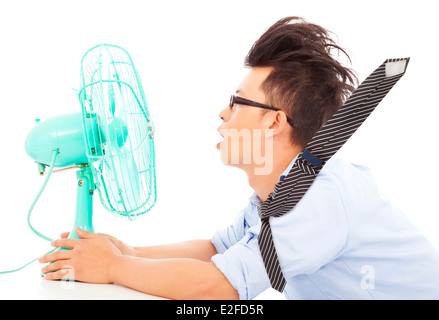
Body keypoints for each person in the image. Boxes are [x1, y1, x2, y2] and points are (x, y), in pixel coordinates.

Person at [38, 16, 439, 300]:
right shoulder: (278, 191)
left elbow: (221, 287)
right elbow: (216, 250)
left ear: (274, 123)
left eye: (237, 101)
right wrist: (127, 251)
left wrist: (113, 267)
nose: (223, 113)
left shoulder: (318, 197)